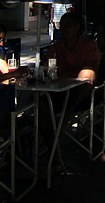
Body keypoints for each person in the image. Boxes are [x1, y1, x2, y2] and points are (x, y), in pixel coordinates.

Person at [39, 11, 101, 149]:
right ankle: (51, 145)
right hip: (58, 89)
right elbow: (49, 68)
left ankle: (62, 124)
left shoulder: (89, 46)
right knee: (41, 104)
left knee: (86, 74)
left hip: (81, 94)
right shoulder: (56, 47)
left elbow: (91, 70)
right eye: (63, 26)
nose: (65, 29)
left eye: (69, 26)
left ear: (77, 27)